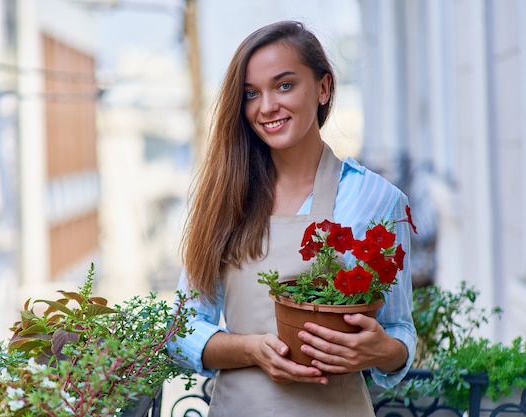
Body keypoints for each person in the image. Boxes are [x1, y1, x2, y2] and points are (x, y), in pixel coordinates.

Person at [168, 20, 417, 416]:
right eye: (251, 93)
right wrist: (252, 348)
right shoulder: (223, 199)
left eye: (284, 85)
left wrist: (382, 350)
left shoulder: (376, 199)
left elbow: (399, 329)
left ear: (323, 88)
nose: (266, 106)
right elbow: (180, 330)